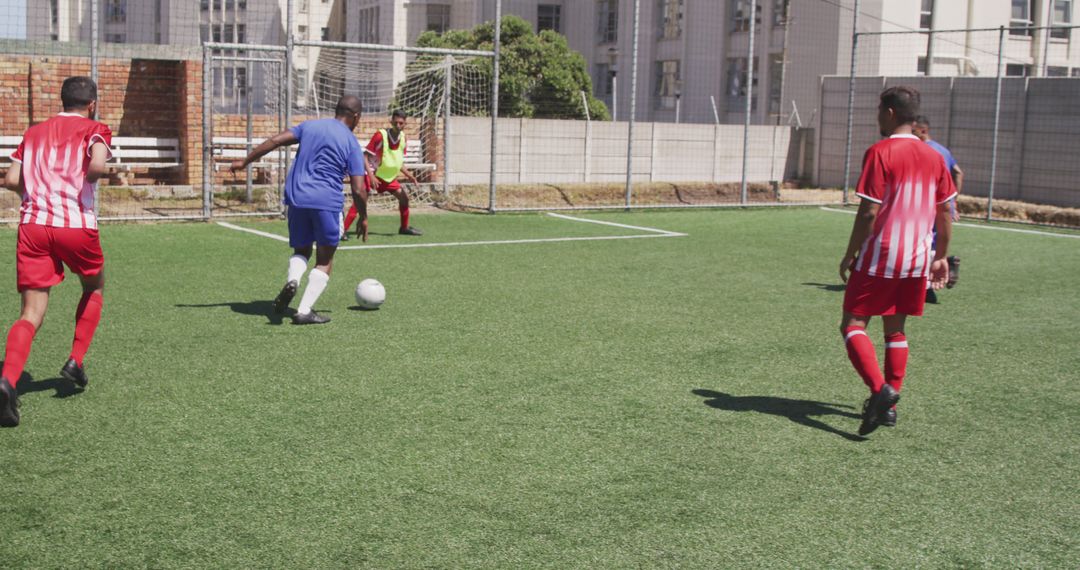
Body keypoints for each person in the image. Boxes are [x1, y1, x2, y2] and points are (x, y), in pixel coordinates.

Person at [838, 86, 956, 436]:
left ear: (890, 113)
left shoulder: (880, 151)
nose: (877, 115)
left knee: (852, 325)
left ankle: (880, 392)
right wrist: (941, 256)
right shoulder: (934, 156)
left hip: (882, 256)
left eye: (878, 109)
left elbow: (868, 211)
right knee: (896, 329)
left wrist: (849, 253)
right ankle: (889, 408)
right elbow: (945, 213)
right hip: (918, 258)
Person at [0, 76, 112, 427]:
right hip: (76, 225)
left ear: (62, 101)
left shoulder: (33, 133)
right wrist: (109, 171)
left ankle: (8, 380)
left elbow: (12, 180)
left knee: (31, 312)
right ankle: (75, 361)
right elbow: (94, 168)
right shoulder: (96, 128)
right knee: (93, 287)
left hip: (33, 226)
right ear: (91, 103)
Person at [231, 95, 371, 325]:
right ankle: (304, 310)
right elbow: (359, 189)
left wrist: (244, 162)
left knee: (302, 249)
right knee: (325, 260)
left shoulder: (309, 126)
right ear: (356, 117)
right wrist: (363, 217)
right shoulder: (351, 142)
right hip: (326, 202)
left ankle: (293, 280)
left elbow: (275, 140)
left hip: (296, 198)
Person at [343, 109, 422, 238]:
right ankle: (343, 230)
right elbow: (365, 157)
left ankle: (404, 227)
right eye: (395, 122)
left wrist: (409, 175)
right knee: (360, 201)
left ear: (405, 124)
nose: (398, 125)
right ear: (391, 121)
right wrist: (371, 176)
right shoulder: (381, 135)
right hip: (372, 174)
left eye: (401, 123)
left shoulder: (403, 138)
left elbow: (397, 162)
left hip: (388, 178)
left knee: (404, 199)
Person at [913, 116, 962, 299]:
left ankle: (927, 288)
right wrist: (954, 201)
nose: (911, 135)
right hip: (944, 203)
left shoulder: (923, 150)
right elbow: (958, 173)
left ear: (923, 131)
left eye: (914, 132)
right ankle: (934, 277)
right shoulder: (943, 150)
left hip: (927, 204)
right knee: (932, 241)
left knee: (920, 241)